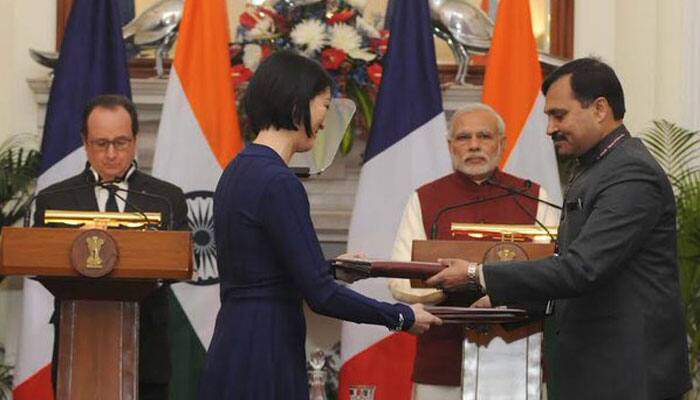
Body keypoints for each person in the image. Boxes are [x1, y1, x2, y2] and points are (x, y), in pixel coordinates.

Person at [426, 58, 692, 400]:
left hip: (625, 378)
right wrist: (504, 299)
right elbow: (585, 277)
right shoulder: (597, 167)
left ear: (599, 109)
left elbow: (583, 269)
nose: (550, 128)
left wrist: (479, 274)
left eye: (558, 115)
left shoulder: (630, 173)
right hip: (597, 373)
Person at [197, 50, 441, 400]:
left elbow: (264, 271)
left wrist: (330, 270)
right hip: (267, 348)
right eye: (324, 105)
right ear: (298, 105)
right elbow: (322, 296)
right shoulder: (279, 181)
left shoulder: (237, 170)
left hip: (233, 340)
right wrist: (400, 316)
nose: (326, 120)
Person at [389, 103, 560, 400]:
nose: (474, 145)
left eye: (484, 136)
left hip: (518, 356)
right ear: (450, 146)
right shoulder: (426, 198)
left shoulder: (534, 197)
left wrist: (491, 287)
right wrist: (451, 284)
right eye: (463, 137)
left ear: (502, 143)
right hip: (444, 360)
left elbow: (556, 275)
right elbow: (399, 281)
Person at [34, 94, 188, 400]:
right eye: (100, 144)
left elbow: (180, 262)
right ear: (84, 142)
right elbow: (36, 261)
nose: (112, 154)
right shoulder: (55, 200)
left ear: (135, 140)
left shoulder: (165, 198)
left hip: (146, 349)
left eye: (121, 142)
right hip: (78, 346)